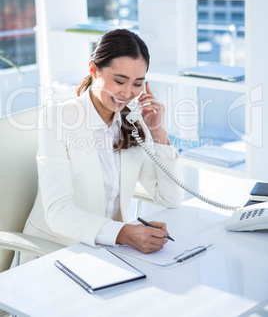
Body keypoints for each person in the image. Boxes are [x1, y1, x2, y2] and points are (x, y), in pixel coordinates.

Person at [24, 29, 184, 254]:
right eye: (119, 81)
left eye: (138, 84)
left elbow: (170, 198)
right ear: (93, 70)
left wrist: (158, 132)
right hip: (55, 250)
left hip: (109, 253)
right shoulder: (58, 119)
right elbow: (58, 212)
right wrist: (124, 233)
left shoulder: (132, 125)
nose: (127, 93)